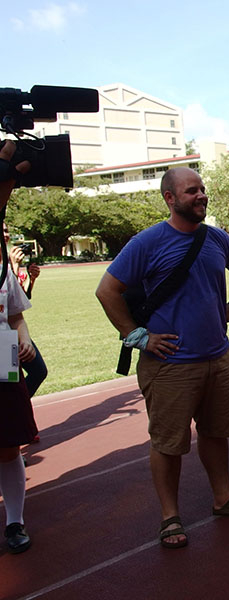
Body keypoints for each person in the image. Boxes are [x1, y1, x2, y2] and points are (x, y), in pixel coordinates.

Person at [95, 167, 229, 550]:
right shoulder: (147, 242)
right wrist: (137, 336)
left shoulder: (216, 238)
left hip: (217, 358)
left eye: (202, 190)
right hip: (170, 364)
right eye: (191, 191)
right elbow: (107, 291)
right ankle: (170, 516)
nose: (201, 196)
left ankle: (223, 497)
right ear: (170, 198)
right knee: (168, 443)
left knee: (216, 432)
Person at [0, 141, 36, 554]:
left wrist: (23, 340)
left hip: (3, 357)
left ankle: (15, 522)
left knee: (9, 444)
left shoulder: (3, 270)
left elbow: (16, 315)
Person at [3, 223, 48, 400]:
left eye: (7, 230)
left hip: (7, 336)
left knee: (35, 373)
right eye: (2, 230)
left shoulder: (8, 262)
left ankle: (20, 409)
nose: (5, 235)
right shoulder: (7, 265)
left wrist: (31, 278)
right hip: (5, 338)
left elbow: (17, 303)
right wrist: (13, 267)